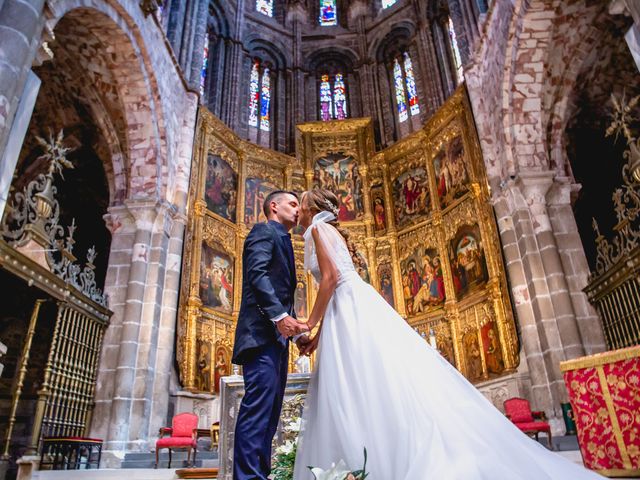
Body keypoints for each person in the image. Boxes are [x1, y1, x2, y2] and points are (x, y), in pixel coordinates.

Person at [291, 188, 600, 479]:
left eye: (300, 204)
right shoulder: (327, 230)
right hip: (347, 308)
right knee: (367, 380)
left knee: (356, 383)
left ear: (310, 208)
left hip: (346, 305)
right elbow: (333, 282)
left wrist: (307, 323)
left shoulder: (318, 228)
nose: (298, 210)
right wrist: (319, 335)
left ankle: (373, 458)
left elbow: (330, 279)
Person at [231, 190, 309, 480]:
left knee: (269, 417)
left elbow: (279, 293)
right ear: (273, 207)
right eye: (292, 203)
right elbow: (257, 274)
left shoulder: (283, 239)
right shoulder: (264, 231)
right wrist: (279, 318)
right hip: (261, 336)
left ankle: (259, 475)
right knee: (257, 413)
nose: (298, 209)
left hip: (275, 340)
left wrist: (297, 335)